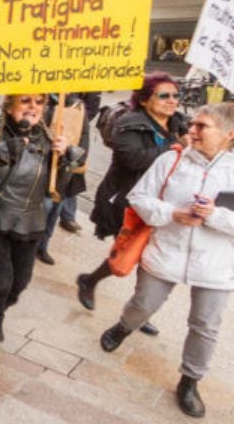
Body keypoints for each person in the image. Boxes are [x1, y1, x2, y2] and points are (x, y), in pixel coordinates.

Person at [98, 103, 234, 418]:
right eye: (193, 124)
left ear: (228, 135)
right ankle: (123, 327)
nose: (193, 131)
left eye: (203, 127)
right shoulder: (171, 160)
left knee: (205, 325)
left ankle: (190, 380)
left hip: (216, 265)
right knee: (144, 303)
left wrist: (214, 216)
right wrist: (172, 213)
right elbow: (139, 198)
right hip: (166, 252)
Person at [0, 94, 83, 383]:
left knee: (19, 284)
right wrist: (0, 152)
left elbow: (61, 189)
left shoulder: (51, 139)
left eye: (39, 103)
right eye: (26, 101)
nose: (33, 107)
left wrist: (67, 159)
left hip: (31, 222)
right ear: (10, 105)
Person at [77, 73, 189, 333]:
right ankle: (95, 283)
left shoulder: (179, 124)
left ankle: (139, 309)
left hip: (160, 202)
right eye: (164, 95)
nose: (172, 101)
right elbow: (134, 160)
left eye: (175, 95)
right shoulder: (129, 123)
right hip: (127, 199)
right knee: (131, 251)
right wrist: (175, 146)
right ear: (146, 99)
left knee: (145, 255)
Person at [35, 93, 92, 265]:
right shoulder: (40, 100)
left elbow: (84, 139)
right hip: (41, 170)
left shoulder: (78, 106)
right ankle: (29, 246)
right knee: (41, 209)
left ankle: (42, 247)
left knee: (54, 211)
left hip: (64, 172)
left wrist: (73, 154)